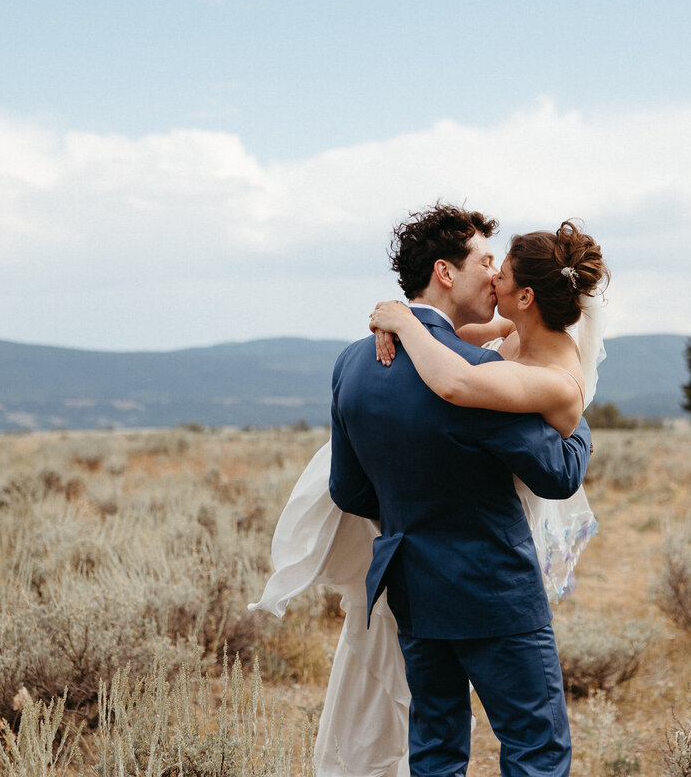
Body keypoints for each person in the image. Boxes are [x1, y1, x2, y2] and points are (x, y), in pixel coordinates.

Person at [249, 206, 608, 776]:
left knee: (436, 749)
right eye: (486, 262)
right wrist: (573, 401)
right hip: (492, 588)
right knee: (534, 747)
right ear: (446, 272)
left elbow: (348, 488)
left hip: (410, 587)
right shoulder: (477, 378)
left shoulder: (354, 362)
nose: (494, 276)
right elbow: (559, 476)